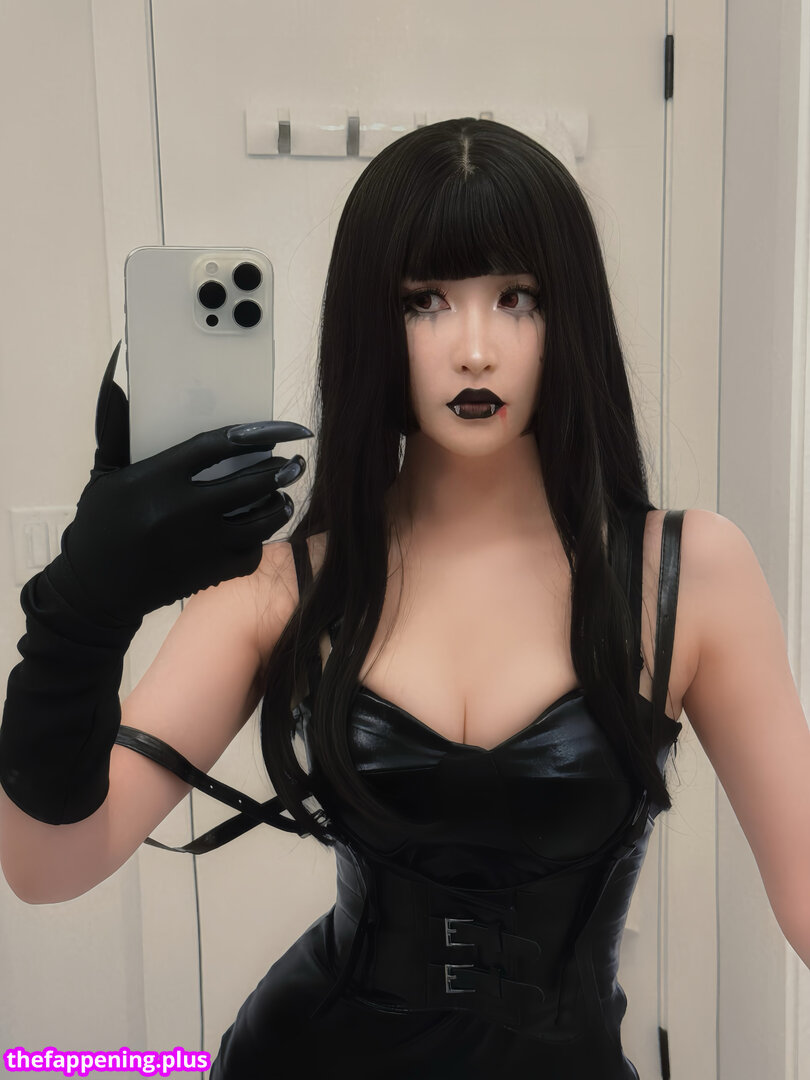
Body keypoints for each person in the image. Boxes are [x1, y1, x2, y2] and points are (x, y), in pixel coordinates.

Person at [1, 117, 808, 1079]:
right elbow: (48, 866)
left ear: (572, 319)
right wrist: (79, 611)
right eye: (426, 302)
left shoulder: (688, 571)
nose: (475, 349)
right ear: (372, 328)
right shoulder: (277, 586)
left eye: (517, 298)